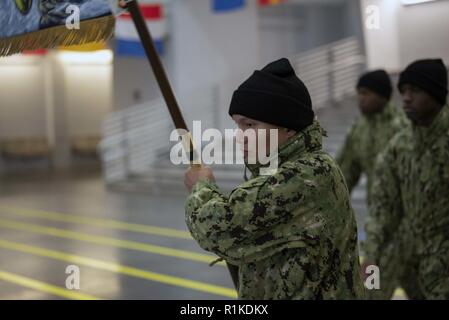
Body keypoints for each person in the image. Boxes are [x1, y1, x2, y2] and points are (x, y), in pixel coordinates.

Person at [184, 58, 365, 299]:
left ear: (288, 127)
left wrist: (201, 188)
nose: (240, 137)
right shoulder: (282, 170)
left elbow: (218, 230)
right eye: (238, 126)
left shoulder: (305, 175)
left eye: (250, 125)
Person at [364, 58, 449, 299]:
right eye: (404, 91)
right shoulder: (399, 147)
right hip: (409, 259)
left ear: (436, 94)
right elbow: (382, 207)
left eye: (416, 91)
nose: (407, 98)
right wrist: (371, 255)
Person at [337, 70, 407, 205]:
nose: (360, 98)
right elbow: (345, 172)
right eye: (359, 93)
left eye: (365, 93)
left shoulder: (402, 125)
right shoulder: (359, 129)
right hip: (375, 209)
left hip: (405, 209)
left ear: (382, 96)